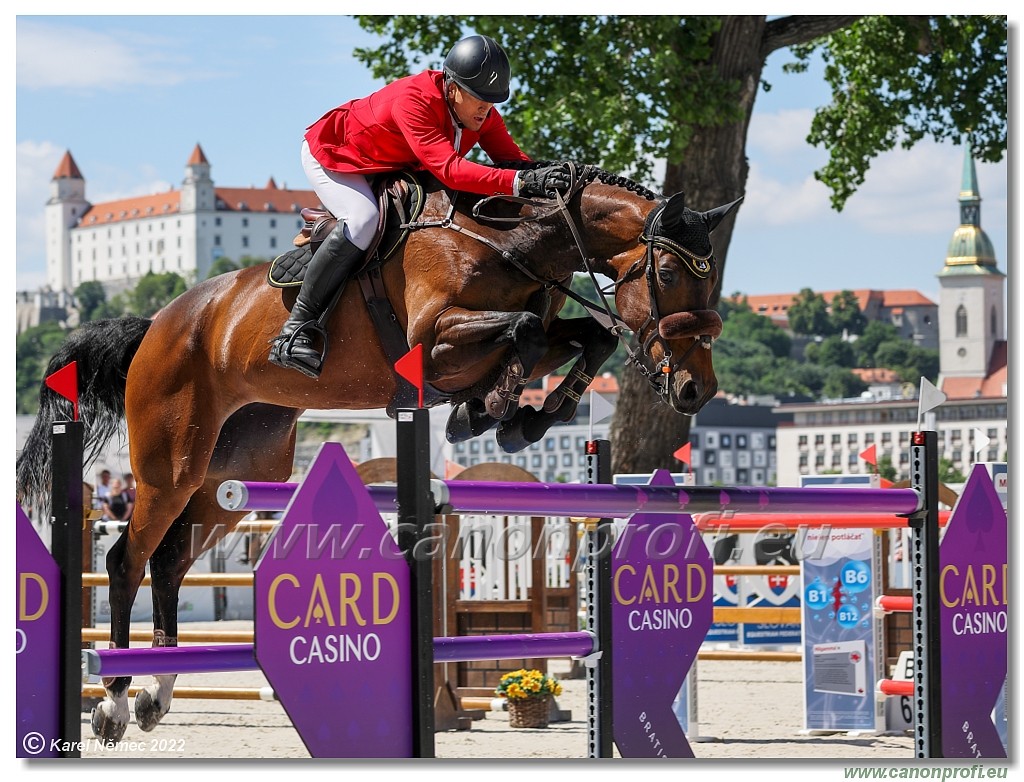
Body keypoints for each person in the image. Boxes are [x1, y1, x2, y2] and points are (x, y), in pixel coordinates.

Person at [269, 33, 573, 378]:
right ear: (453, 86)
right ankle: (295, 329)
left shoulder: (480, 113)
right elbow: (450, 170)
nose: (487, 109)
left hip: (391, 161)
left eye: (493, 100)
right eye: (479, 99)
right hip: (336, 155)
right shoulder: (414, 100)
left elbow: (511, 159)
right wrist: (519, 182)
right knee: (363, 219)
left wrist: (549, 176)